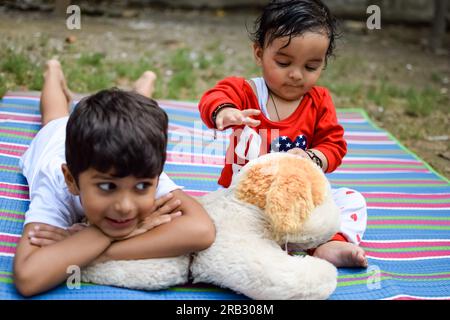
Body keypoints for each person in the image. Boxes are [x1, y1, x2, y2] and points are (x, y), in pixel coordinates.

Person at [13, 60, 216, 297]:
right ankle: (53, 70)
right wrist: (105, 233)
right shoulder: (55, 186)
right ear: (71, 180)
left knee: (135, 116)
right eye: (108, 186)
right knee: (54, 115)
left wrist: (99, 249)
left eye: (142, 187)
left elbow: (201, 230)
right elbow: (28, 278)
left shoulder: (139, 165)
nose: (125, 206)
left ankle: (143, 87)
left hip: (113, 144)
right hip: (54, 136)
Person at [198, 0, 367, 268]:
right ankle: (262, 247)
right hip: (247, 201)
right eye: (283, 62)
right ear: (259, 52)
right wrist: (225, 111)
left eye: (311, 67)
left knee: (351, 200)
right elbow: (215, 96)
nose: (296, 75)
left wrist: (311, 157)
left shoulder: (319, 101)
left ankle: (330, 242)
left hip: (299, 202)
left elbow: (334, 145)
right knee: (213, 220)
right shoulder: (246, 93)